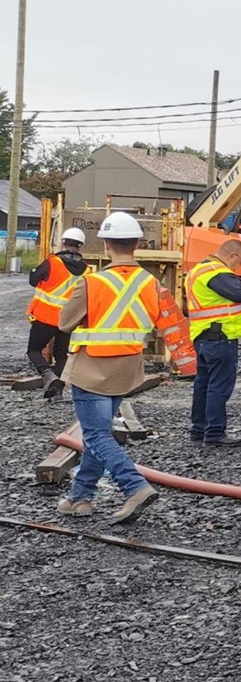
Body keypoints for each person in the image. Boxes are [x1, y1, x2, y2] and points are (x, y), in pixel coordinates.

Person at [54, 212, 161, 523]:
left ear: (104, 244)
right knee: (94, 436)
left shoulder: (92, 282)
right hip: (126, 368)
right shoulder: (152, 283)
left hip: (91, 368)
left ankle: (134, 486)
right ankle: (80, 498)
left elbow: (64, 323)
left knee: (97, 435)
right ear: (138, 244)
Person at [186, 238, 241, 445]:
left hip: (204, 336)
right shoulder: (216, 272)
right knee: (218, 386)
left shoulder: (199, 270)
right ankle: (214, 432)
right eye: (240, 261)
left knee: (203, 384)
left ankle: (199, 429)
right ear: (231, 256)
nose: (239, 267)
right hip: (220, 337)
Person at [27, 226, 88, 400]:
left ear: (63, 242)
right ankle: (57, 390)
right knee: (61, 355)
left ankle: (48, 375)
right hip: (68, 321)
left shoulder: (52, 262)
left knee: (34, 350)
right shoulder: (86, 270)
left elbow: (33, 280)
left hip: (45, 317)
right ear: (80, 246)